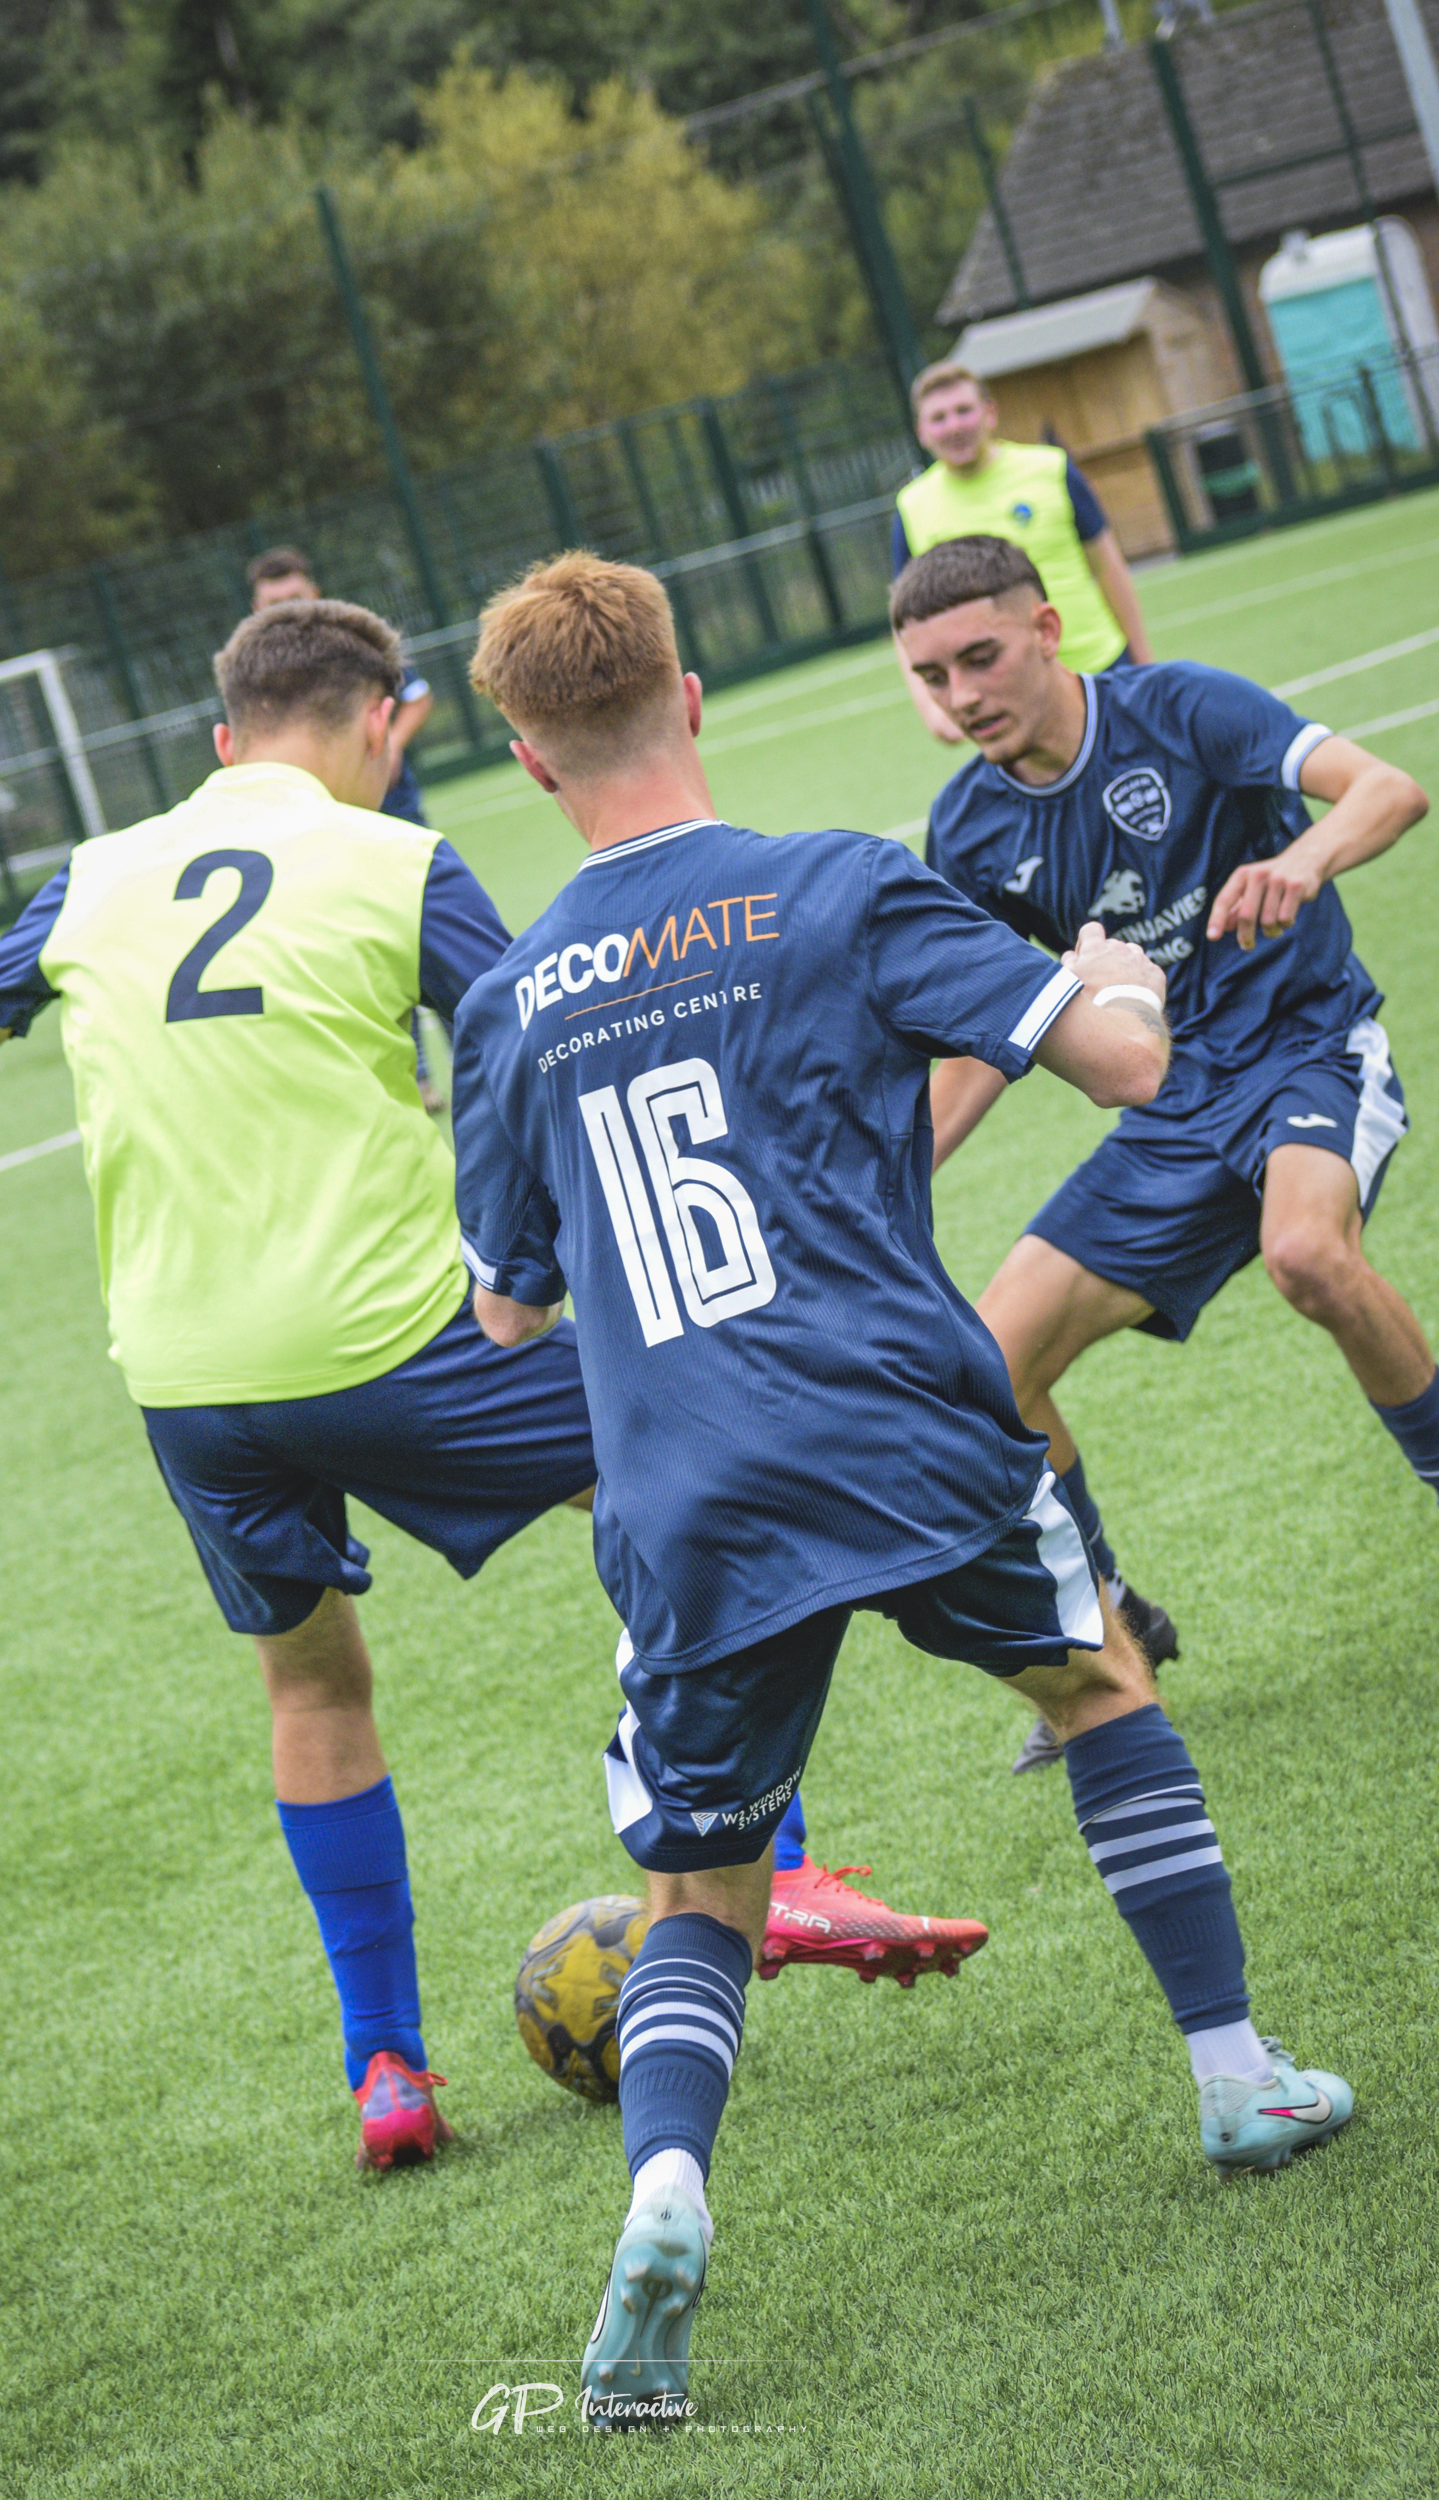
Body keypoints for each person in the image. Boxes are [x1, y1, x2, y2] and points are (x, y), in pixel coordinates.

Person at [0, 602, 974, 2173]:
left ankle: (388, 2072)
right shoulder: (399, 865)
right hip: (403, 1344)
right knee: (662, 1463)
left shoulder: (89, 880)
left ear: (218, 743)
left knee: (314, 1688)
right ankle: (780, 1863)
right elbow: (552, 1023)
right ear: (385, 723)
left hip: (193, 1385)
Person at [449, 552, 1351, 2426]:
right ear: (691, 697)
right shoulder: (840, 880)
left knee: (698, 1889)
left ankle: (668, 2194)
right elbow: (1123, 1063)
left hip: (686, 1488)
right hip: (902, 1421)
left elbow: (506, 1308)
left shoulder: (512, 1001)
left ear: (525, 760)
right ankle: (1234, 2072)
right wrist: (1101, 975)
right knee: (1097, 1677)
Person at [893, 534, 1433, 1772]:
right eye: (930, 675)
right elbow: (985, 1029)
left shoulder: (1181, 708)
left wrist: (1296, 858)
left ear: (1044, 630)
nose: (961, 693)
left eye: (980, 656)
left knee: (1303, 1251)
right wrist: (900, 1163)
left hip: (1304, 1052)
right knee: (990, 1362)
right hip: (1170, 1113)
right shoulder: (969, 825)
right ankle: (1114, 1619)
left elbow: (1384, 788)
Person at [248, 548, 442, 1105]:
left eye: (293, 596)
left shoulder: (355, 642)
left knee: (436, 932)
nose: (285, 608)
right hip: (325, 830)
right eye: (272, 602)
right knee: (376, 949)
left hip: (396, 812)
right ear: (255, 608)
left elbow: (418, 695)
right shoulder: (256, 668)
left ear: (314, 591)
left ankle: (490, 1063)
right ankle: (418, 1076)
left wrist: (393, 743)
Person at [891, 362, 1152, 748]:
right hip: (1004, 697)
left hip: (1098, 667)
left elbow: (1108, 567)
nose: (954, 426)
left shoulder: (1051, 469)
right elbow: (904, 622)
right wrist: (930, 709)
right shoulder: (912, 507)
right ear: (922, 432)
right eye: (939, 418)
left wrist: (1144, 664)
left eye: (964, 410)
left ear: (990, 413)